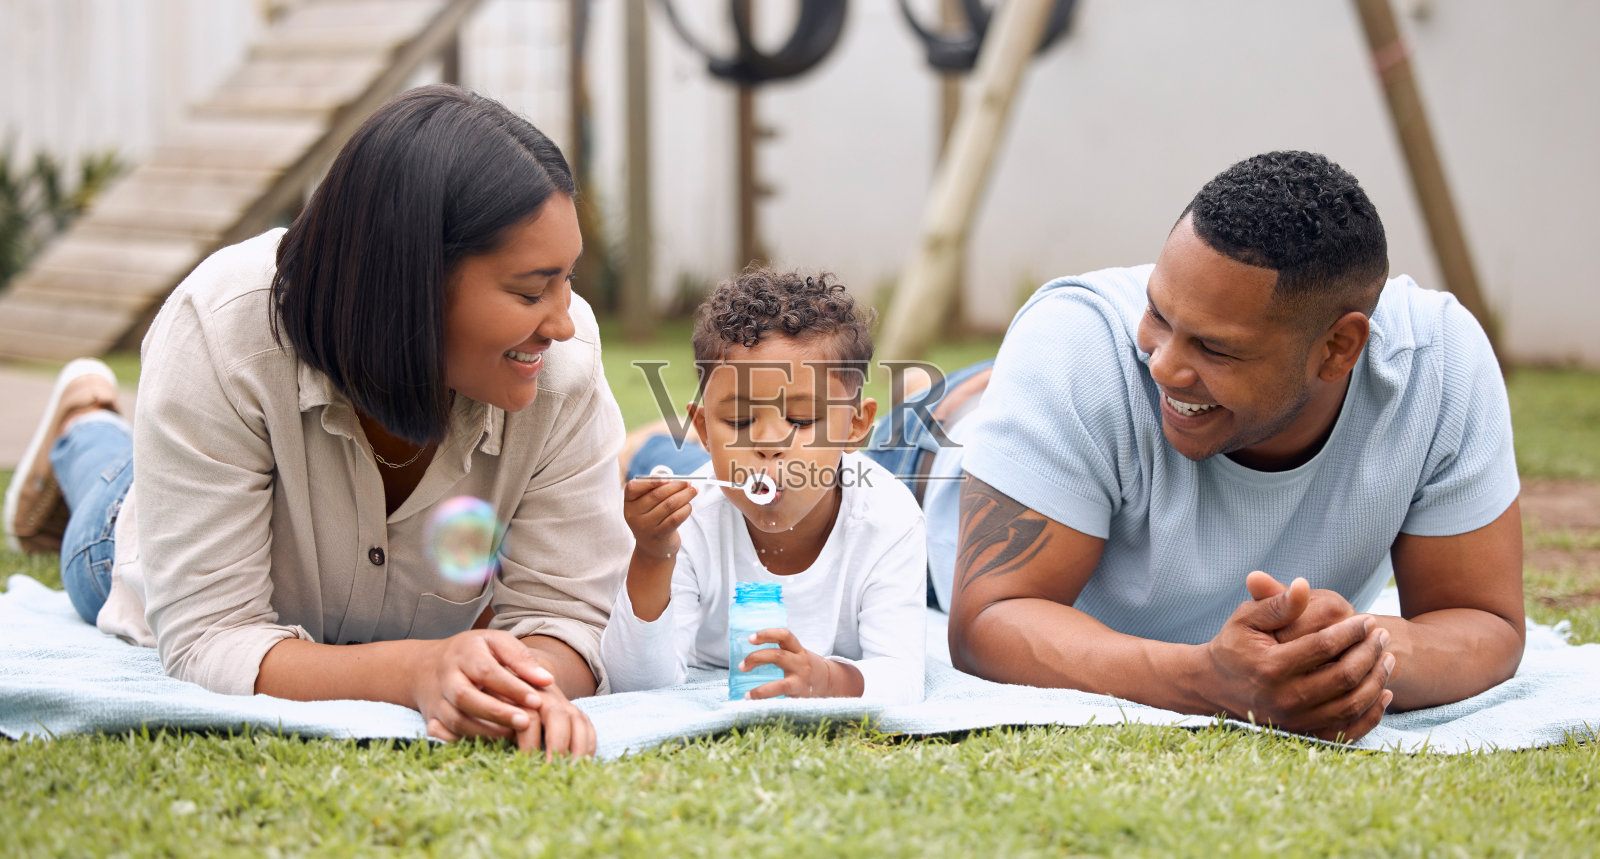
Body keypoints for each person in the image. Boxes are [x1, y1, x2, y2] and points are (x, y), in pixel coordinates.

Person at [1, 85, 631, 758]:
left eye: (568, 280)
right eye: (531, 289)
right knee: (105, 499)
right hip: (127, 543)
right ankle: (84, 416)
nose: (563, 321)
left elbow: (569, 616)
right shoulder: (218, 333)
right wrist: (417, 671)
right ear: (411, 278)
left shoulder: (566, 363)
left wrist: (516, 690)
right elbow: (210, 634)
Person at [933, 151, 1524, 743]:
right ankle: (952, 393)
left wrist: (1347, 655)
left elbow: (1485, 621)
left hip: (1077, 415)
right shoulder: (1076, 343)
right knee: (956, 410)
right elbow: (988, 619)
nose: (1162, 364)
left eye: (1216, 350)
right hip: (929, 468)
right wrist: (1208, 680)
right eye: (1157, 312)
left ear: (1340, 347)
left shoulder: (1436, 365)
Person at [601, 268, 927, 703]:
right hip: (685, 466)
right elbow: (637, 686)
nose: (769, 444)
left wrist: (830, 680)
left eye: (801, 420)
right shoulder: (685, 522)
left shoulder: (890, 519)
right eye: (738, 421)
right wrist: (651, 554)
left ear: (855, 425)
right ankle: (645, 445)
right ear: (702, 427)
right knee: (652, 461)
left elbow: (902, 677)